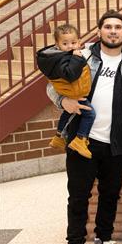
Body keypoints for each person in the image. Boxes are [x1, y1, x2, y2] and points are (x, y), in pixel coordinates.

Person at [47, 10, 122, 244]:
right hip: (82, 141)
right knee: (79, 197)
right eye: (107, 26)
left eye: (118, 27)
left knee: (110, 194)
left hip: (118, 142)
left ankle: (103, 241)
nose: (113, 31)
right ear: (99, 32)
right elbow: (53, 87)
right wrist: (65, 102)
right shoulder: (81, 57)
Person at [37, 24, 95, 159]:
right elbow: (70, 74)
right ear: (57, 45)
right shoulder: (64, 58)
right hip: (74, 94)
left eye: (73, 42)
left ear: (79, 42)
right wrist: (76, 58)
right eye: (65, 43)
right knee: (90, 114)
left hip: (73, 93)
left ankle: (58, 136)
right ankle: (80, 139)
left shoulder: (59, 56)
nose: (70, 46)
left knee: (67, 113)